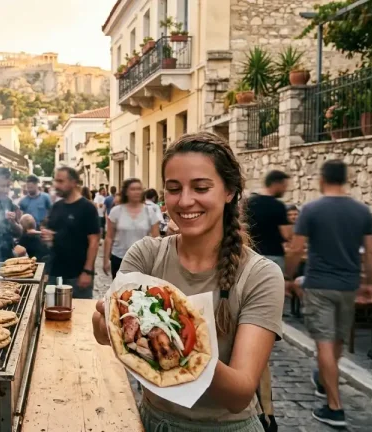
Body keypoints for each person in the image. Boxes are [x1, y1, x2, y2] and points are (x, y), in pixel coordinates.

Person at [91, 132, 284, 431]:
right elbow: (104, 334)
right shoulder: (146, 254)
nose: (184, 201)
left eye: (201, 187)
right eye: (173, 188)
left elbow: (239, 394)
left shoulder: (260, 275)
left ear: (230, 190)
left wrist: (177, 341)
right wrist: (108, 319)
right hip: (151, 420)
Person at [284, 159, 372, 428]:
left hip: (319, 284)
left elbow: (295, 249)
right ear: (345, 179)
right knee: (336, 341)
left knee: (324, 343)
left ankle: (334, 407)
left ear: (322, 179)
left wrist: (289, 277)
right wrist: (369, 282)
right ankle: (325, 379)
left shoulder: (311, 210)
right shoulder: (362, 211)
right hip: (348, 285)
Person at [42, 167, 100, 298]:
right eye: (55, 181)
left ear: (74, 182)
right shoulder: (56, 207)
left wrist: (87, 271)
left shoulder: (87, 208)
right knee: (53, 312)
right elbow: (53, 236)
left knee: (79, 314)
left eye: (61, 181)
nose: (56, 185)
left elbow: (94, 241)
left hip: (77, 275)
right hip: (55, 273)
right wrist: (47, 237)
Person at [104, 179, 160, 278]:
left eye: (139, 189)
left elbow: (156, 239)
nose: (136, 192)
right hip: (119, 257)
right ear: (126, 192)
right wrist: (105, 260)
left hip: (141, 259)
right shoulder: (116, 211)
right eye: (133, 189)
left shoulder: (149, 211)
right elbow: (109, 237)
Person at [244, 170, 293, 271]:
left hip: (252, 255)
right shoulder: (278, 206)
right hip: (274, 256)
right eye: (284, 186)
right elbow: (287, 234)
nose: (285, 189)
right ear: (276, 184)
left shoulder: (250, 203)